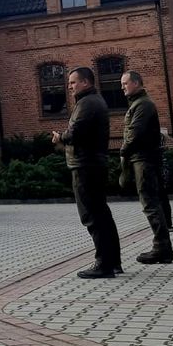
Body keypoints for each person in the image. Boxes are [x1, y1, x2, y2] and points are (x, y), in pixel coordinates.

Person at [53, 67, 121, 279]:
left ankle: (104, 264)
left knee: (92, 215)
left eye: (73, 82)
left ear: (85, 82)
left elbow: (76, 132)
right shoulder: (92, 101)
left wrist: (60, 138)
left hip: (86, 166)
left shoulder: (88, 103)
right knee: (102, 214)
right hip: (92, 164)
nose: (70, 86)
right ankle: (113, 261)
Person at [120, 71, 173, 265]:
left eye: (125, 83)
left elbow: (134, 134)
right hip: (143, 158)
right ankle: (163, 247)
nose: (122, 87)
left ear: (136, 83)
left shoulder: (143, 104)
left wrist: (123, 151)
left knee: (150, 203)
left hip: (144, 159)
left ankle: (161, 247)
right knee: (152, 202)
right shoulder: (139, 104)